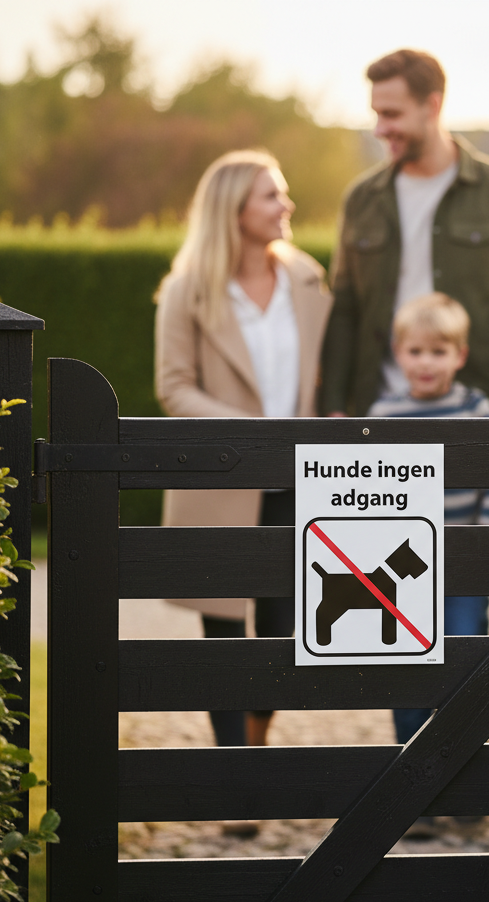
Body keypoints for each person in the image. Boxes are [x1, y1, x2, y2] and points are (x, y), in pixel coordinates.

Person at [154, 150, 332, 777]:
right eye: (270, 196)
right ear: (234, 209)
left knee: (285, 626)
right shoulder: (187, 290)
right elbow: (174, 387)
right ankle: (235, 768)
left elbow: (325, 376)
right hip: (222, 477)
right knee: (224, 630)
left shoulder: (308, 278)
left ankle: (256, 743)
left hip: (297, 477)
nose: (285, 206)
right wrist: (251, 433)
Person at [320, 48, 489, 420]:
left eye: (392, 114)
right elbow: (345, 308)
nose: (380, 129)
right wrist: (332, 407)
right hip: (376, 416)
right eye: (376, 115)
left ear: (432, 105)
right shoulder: (360, 198)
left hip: (476, 416)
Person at [369, 292, 489, 782]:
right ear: (397, 352)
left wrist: (485, 540)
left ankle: (463, 774)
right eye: (415, 351)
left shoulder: (477, 409)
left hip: (464, 564)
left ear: (460, 355)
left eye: (439, 351)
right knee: (406, 665)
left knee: (467, 661)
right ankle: (410, 776)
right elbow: (368, 490)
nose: (426, 363)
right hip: (401, 570)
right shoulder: (383, 414)